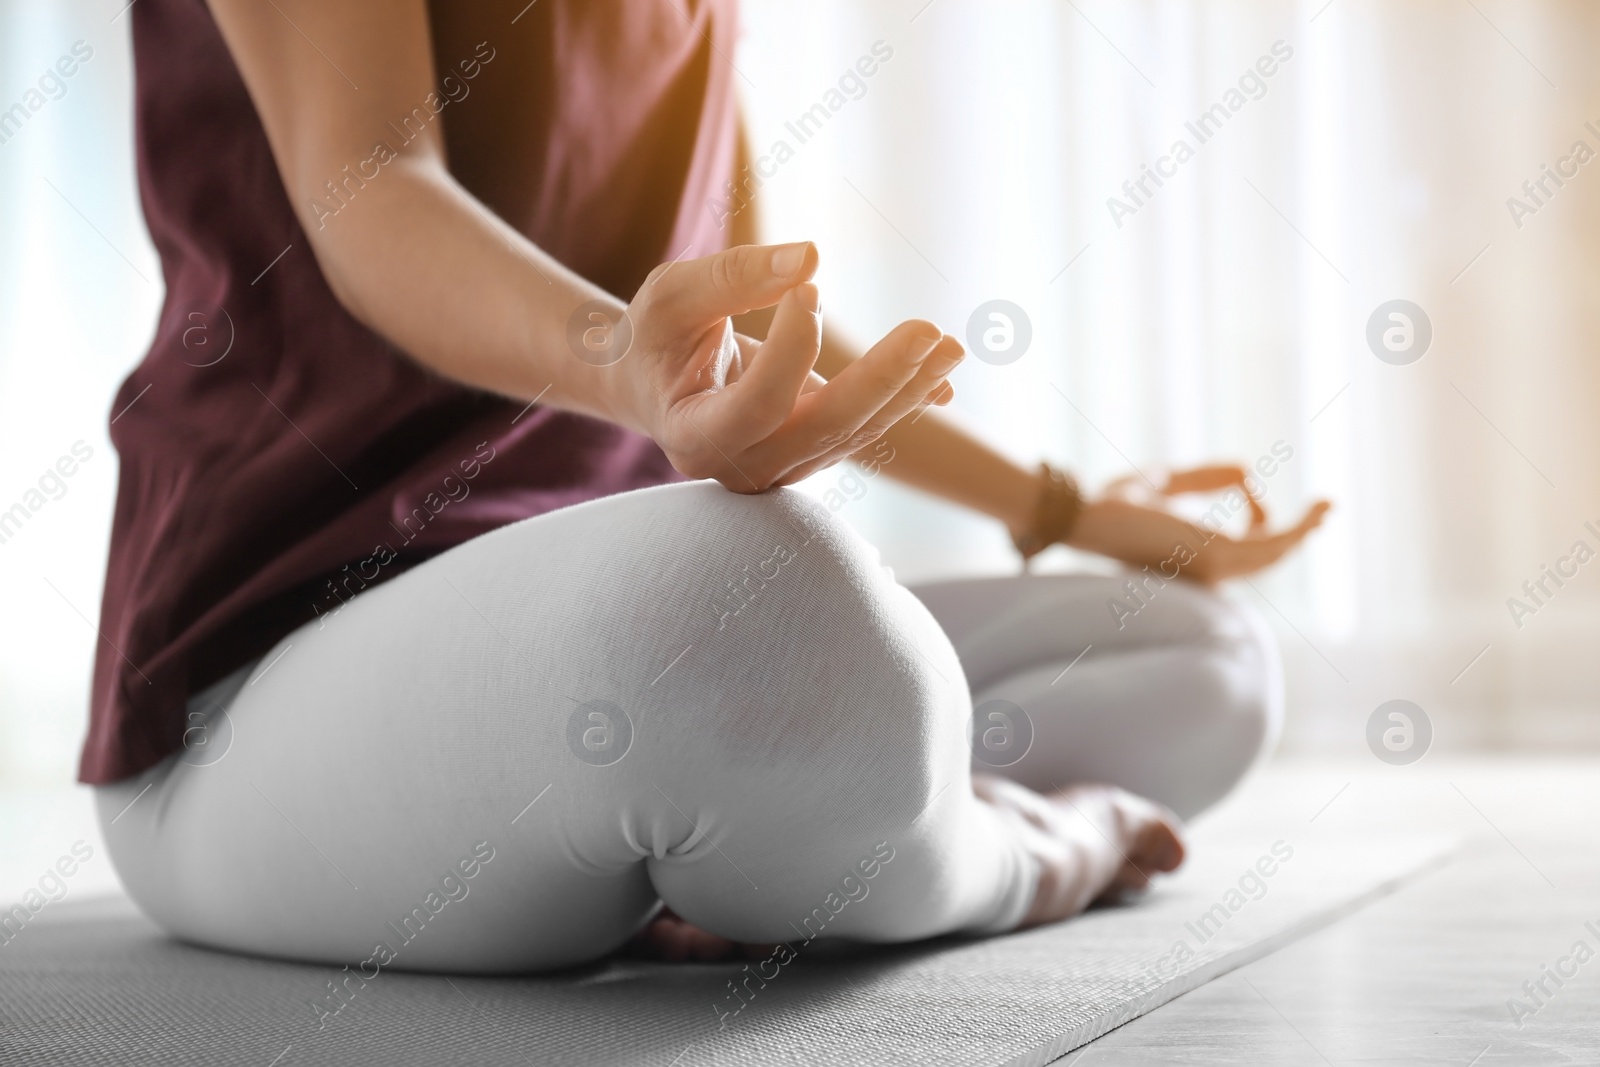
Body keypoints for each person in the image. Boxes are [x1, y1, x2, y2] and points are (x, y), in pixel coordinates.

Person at [89, 0, 1328, 972]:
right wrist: (620, 369)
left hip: (611, 672)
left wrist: (1067, 511)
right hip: (256, 704)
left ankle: (779, 829)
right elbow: (375, 190)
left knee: (1208, 659)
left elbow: (745, 332)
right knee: (750, 597)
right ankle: (1019, 852)